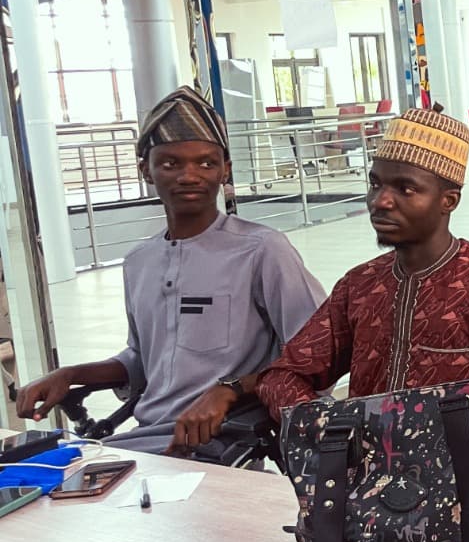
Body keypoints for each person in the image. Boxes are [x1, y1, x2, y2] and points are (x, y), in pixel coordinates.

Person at [16, 88, 325, 454]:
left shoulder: (262, 250)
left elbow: (316, 353)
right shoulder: (139, 261)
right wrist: (70, 375)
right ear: (145, 169)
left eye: (206, 163)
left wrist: (231, 390)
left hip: (218, 442)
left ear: (226, 169)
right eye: (171, 164)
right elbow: (143, 359)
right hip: (141, 441)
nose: (190, 176)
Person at [258, 108, 469, 419]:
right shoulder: (360, 284)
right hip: (367, 464)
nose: (380, 201)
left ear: (449, 201)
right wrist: (325, 427)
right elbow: (284, 375)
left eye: (405, 189)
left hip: (466, 466)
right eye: (376, 185)